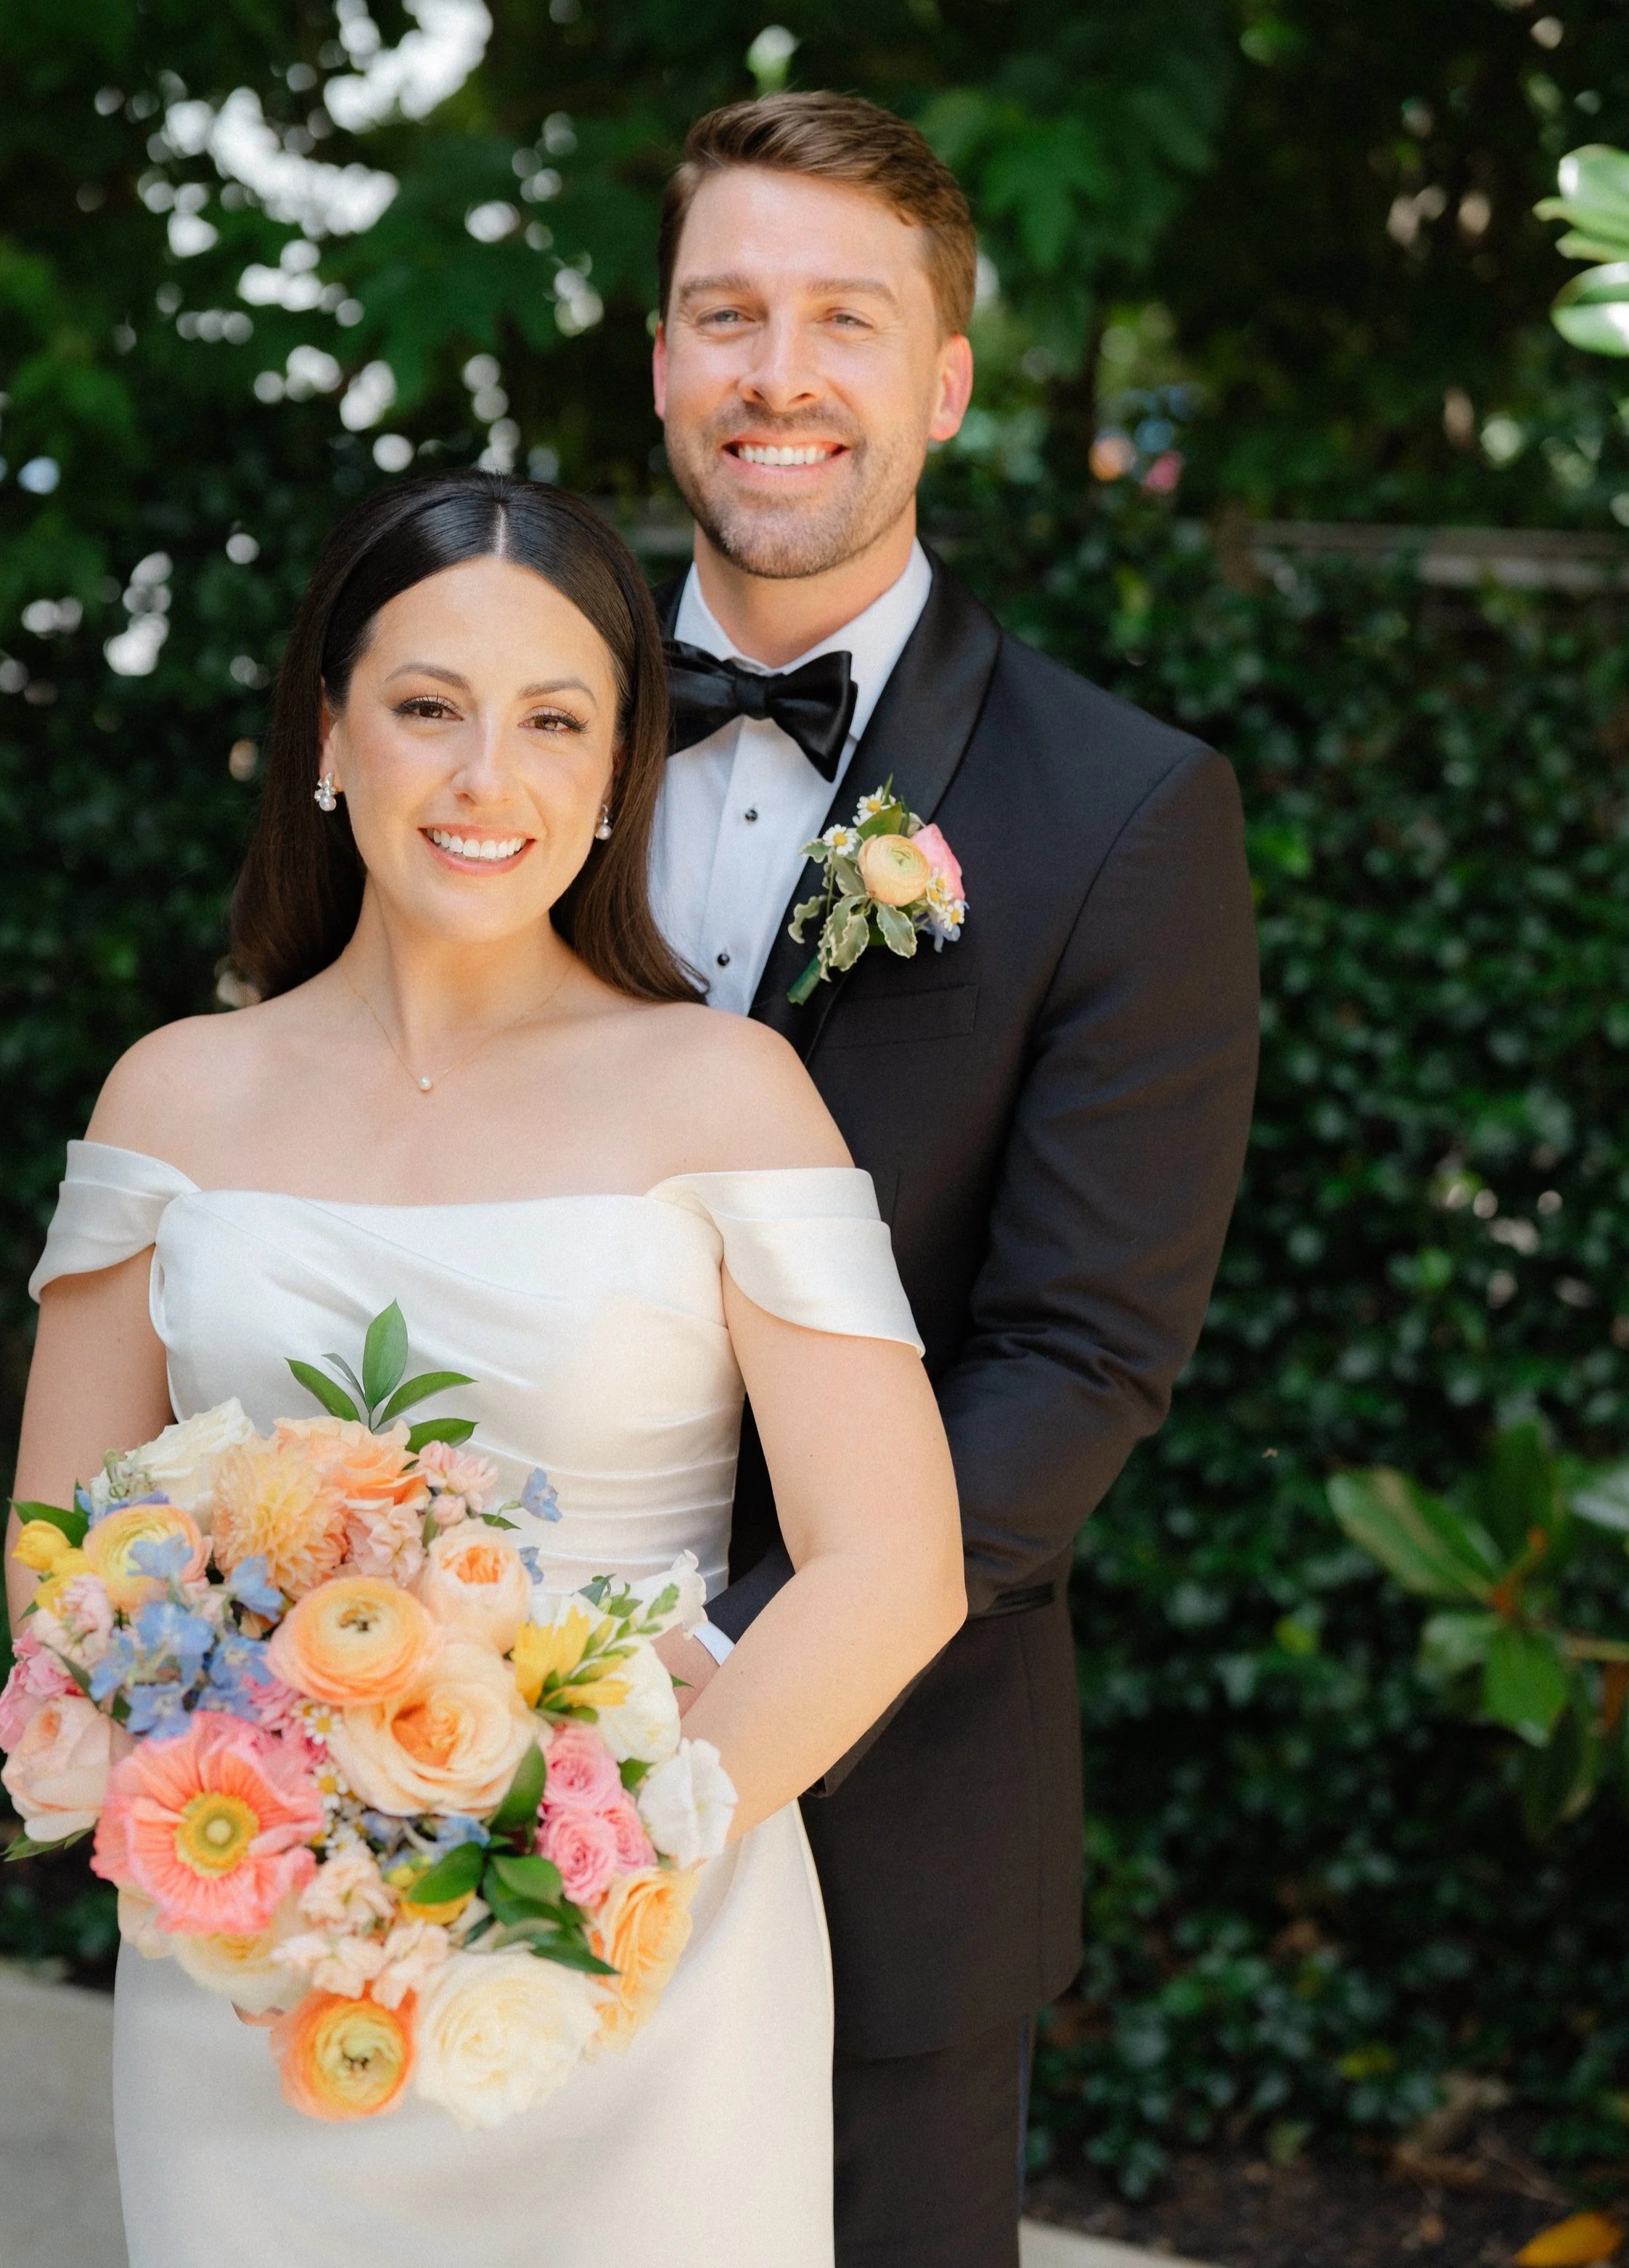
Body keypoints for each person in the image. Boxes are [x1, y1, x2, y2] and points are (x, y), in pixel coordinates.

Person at [4, 473, 966, 2268]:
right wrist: (272, 1850)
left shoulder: (724, 1091)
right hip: (258, 1975)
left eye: (552, 722)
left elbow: (890, 1563)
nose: (482, 781)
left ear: (620, 769)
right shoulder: (167, 1097)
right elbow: (62, 1548)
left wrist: (608, 1860)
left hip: (638, 1984)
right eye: (426, 707)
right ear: (326, 733)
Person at [644, 91, 1261, 2268]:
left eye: (843, 318)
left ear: (945, 384)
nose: (777, 374)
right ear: (658, 363)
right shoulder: (513, 721)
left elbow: (1078, 1358)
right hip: (442, 1716)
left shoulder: (1122, 812)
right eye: (728, 313)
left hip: (880, 1814)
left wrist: (686, 1688)